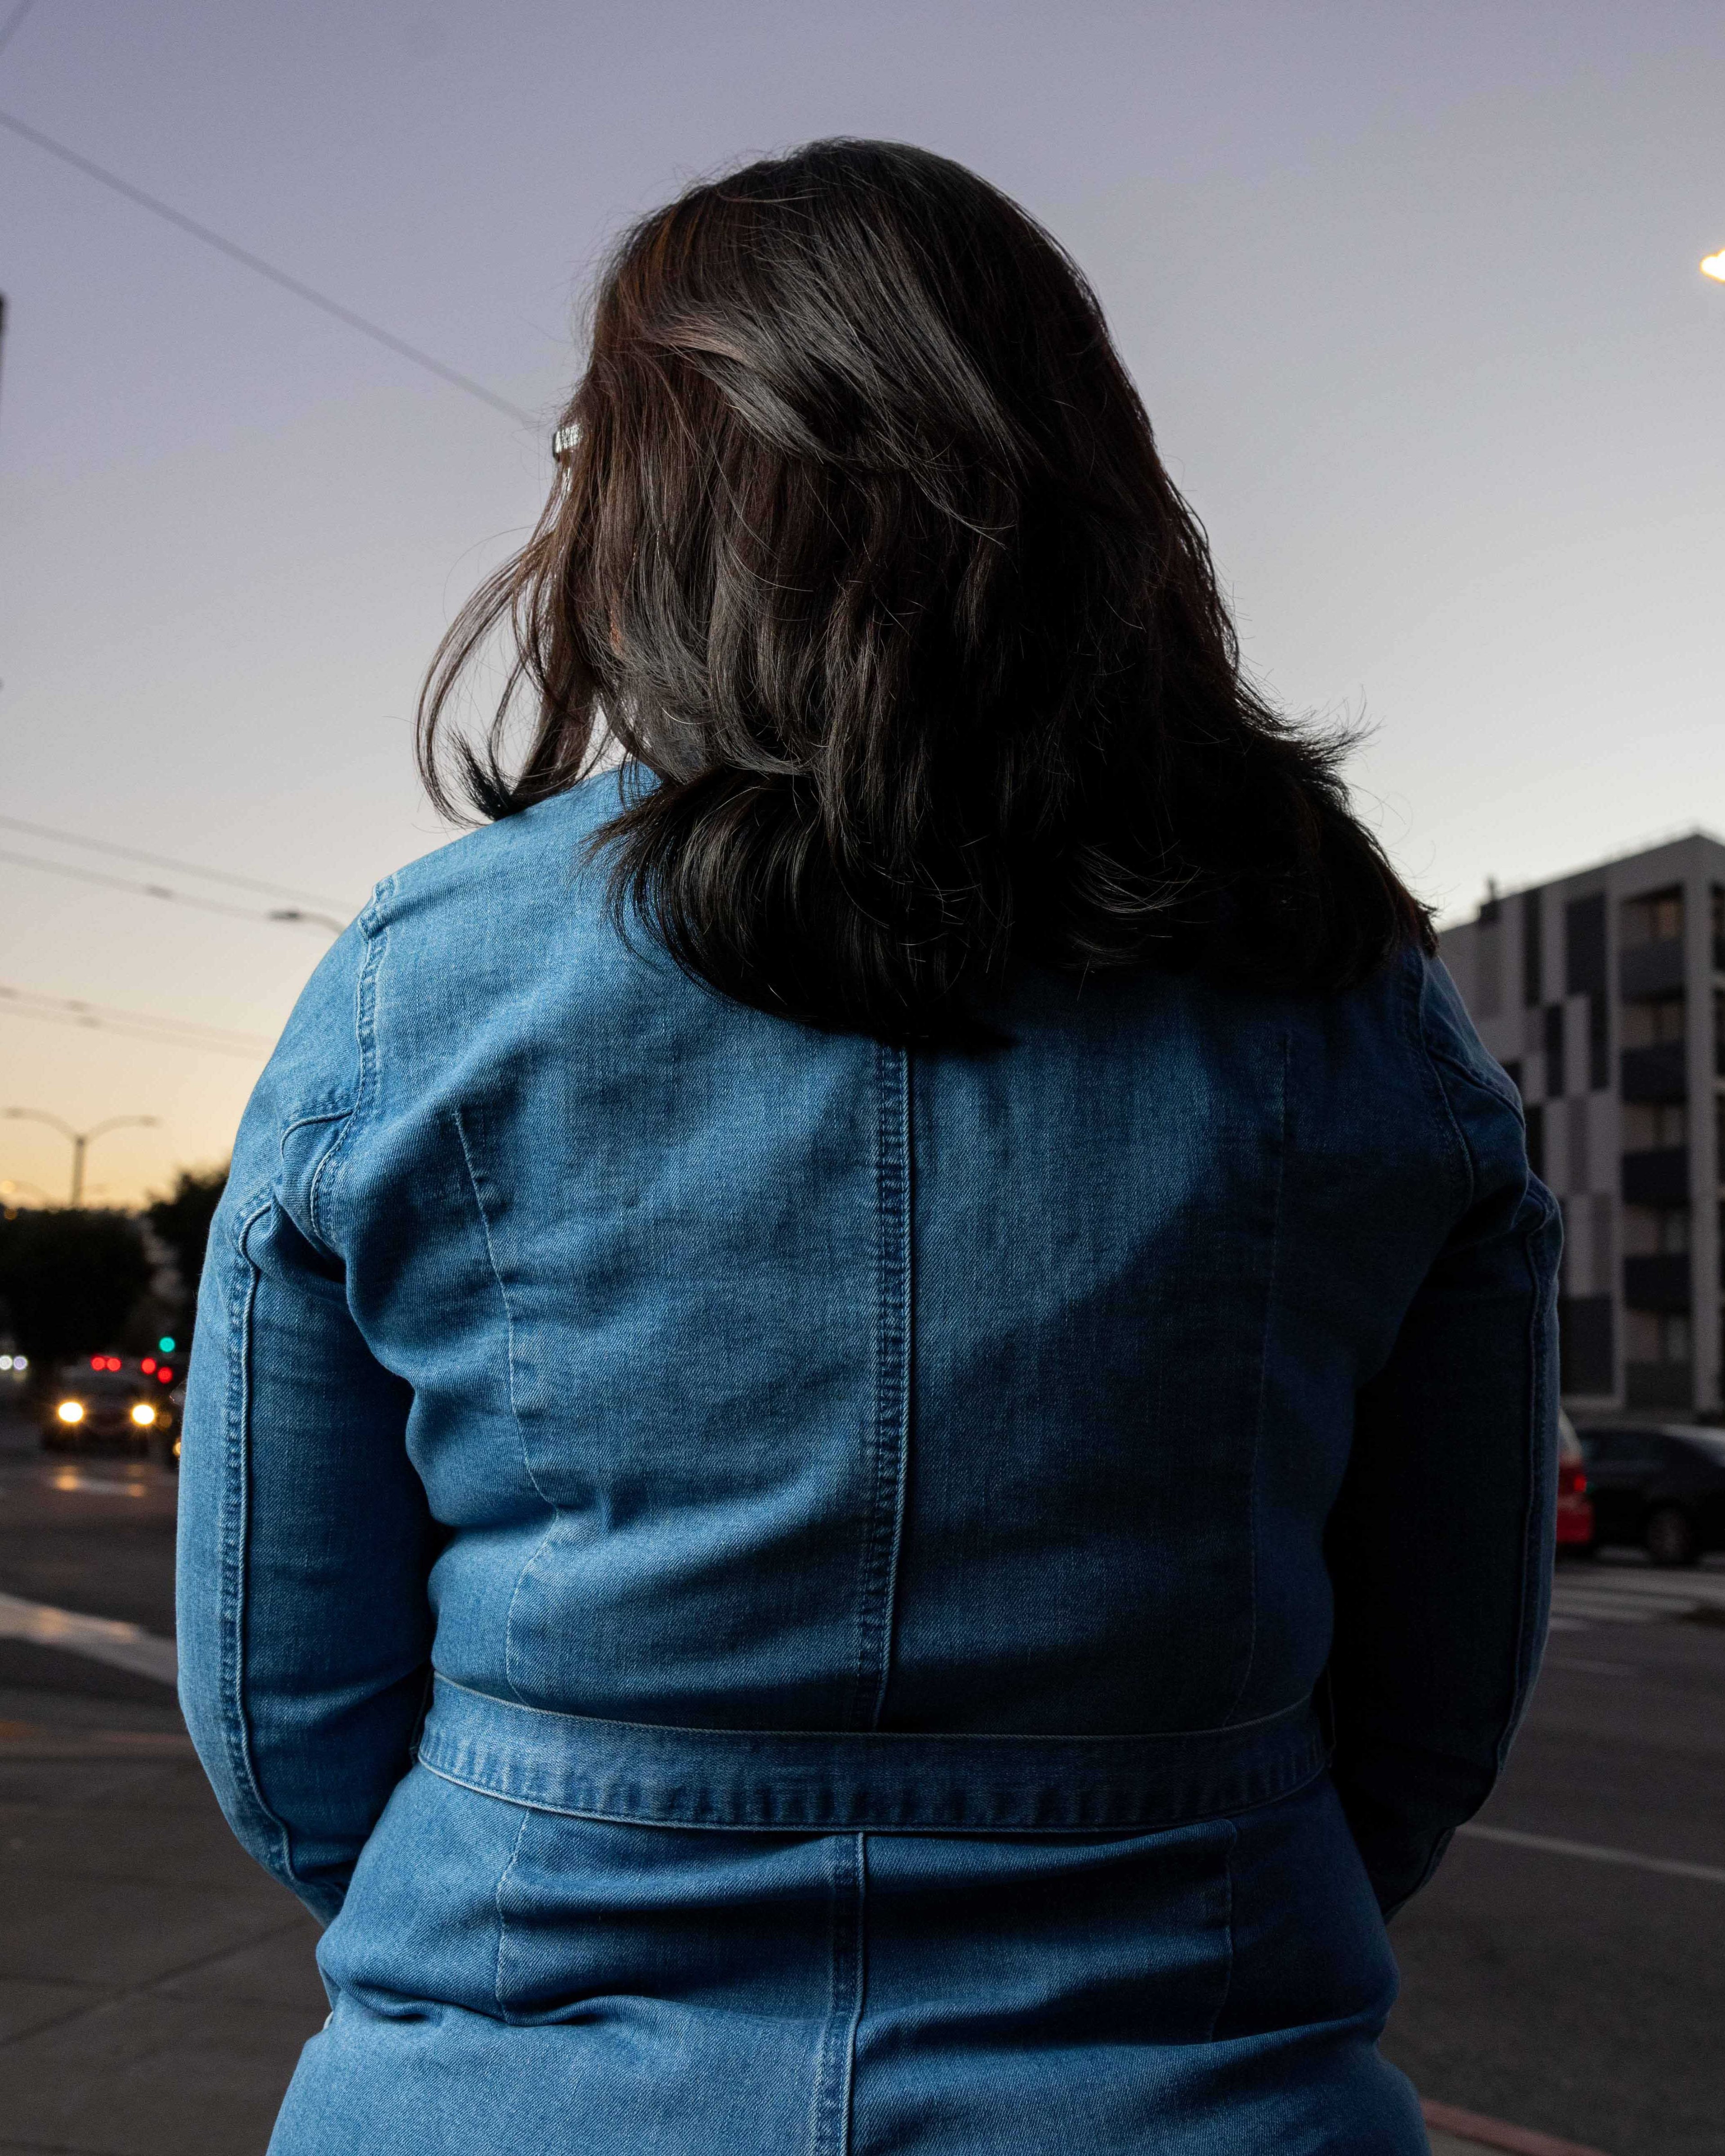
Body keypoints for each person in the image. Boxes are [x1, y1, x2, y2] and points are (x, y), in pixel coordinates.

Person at [178, 138, 1557, 2155]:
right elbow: (1436, 1712)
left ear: (647, 505)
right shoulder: (1343, 999)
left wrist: (528, 1921)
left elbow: (282, 1715)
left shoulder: (416, 984)